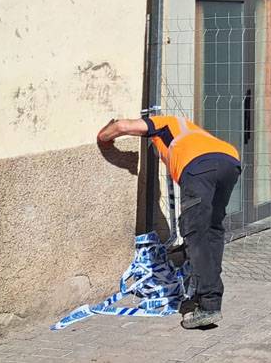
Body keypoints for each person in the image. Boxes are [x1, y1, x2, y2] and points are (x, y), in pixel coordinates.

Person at [96, 115, 241, 329]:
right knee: (212, 230)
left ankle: (208, 304)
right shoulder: (191, 130)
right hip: (230, 161)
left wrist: (104, 137)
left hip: (199, 167)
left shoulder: (163, 123)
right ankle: (209, 297)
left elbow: (122, 126)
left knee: (195, 234)